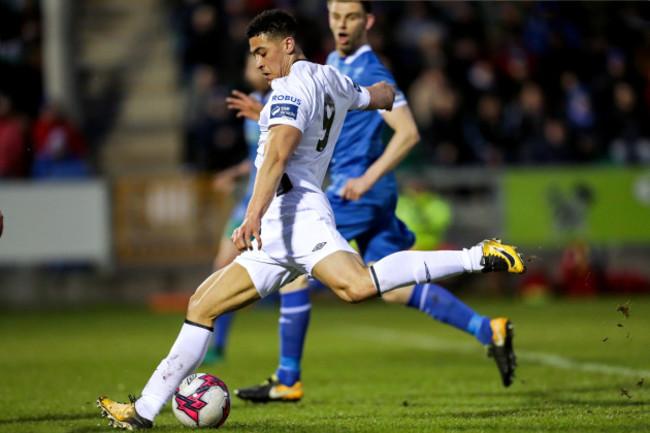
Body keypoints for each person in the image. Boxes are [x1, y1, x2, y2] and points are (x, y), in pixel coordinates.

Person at [97, 10, 525, 430]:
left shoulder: (289, 89)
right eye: (253, 54)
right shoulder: (329, 77)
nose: (259, 63)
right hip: (280, 226)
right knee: (201, 306)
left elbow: (279, 156)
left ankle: (476, 256)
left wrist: (250, 217)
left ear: (287, 44)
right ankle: (144, 411)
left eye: (263, 52)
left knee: (357, 286)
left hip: (296, 216)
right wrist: (381, 91)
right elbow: (377, 97)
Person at [230, 0, 518, 403]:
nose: (342, 24)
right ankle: (489, 329)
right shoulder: (329, 62)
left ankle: (287, 378)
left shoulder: (371, 70)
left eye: (350, 17)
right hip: (363, 191)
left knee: (296, 268)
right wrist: (265, 114)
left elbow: (408, 134)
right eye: (335, 16)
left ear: (367, 22)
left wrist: (366, 178)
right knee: (395, 287)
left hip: (357, 189)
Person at [203, 54, 271, 364]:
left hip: (270, 201)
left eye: (258, 63)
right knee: (222, 266)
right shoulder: (251, 104)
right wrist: (234, 173)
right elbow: (257, 157)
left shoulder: (283, 102)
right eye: (248, 64)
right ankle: (215, 345)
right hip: (248, 200)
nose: (253, 69)